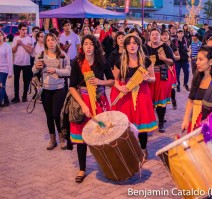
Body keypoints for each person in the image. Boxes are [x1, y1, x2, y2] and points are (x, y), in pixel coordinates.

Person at [69, 34, 114, 183]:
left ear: (95, 46)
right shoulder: (77, 63)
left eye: (91, 44)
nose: (88, 47)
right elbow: (72, 87)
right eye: (85, 44)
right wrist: (83, 105)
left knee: (102, 135)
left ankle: (107, 164)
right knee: (82, 139)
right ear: (82, 46)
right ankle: (82, 169)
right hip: (83, 101)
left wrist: (101, 81)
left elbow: (112, 81)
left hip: (100, 101)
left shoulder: (102, 62)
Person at [110, 33, 157, 160]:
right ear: (125, 46)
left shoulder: (145, 60)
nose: (132, 45)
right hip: (126, 95)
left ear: (138, 45)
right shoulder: (120, 61)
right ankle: (130, 149)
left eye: (134, 43)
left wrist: (148, 78)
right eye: (129, 43)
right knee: (128, 124)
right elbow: (114, 80)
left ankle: (143, 149)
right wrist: (119, 87)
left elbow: (153, 79)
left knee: (142, 123)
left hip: (141, 93)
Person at [32, 33, 71, 150]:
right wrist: (37, 67)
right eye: (48, 40)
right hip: (46, 89)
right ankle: (52, 139)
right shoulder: (41, 55)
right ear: (45, 42)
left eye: (52, 40)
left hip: (59, 88)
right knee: (49, 115)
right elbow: (33, 70)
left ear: (56, 41)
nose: (50, 42)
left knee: (56, 114)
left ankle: (62, 137)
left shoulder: (62, 55)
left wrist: (56, 70)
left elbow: (69, 71)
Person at [146, 28, 174, 132]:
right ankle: (150, 122)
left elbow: (172, 61)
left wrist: (164, 59)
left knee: (161, 101)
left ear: (159, 36)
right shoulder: (145, 47)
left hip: (162, 76)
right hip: (149, 77)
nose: (155, 36)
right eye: (153, 34)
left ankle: (161, 122)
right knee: (149, 100)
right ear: (150, 36)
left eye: (157, 35)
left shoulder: (165, 46)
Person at [11, 22, 34, 103]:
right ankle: (16, 96)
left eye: (26, 29)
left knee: (26, 80)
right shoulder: (15, 38)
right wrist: (17, 44)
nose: (25, 31)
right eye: (23, 30)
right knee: (16, 80)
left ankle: (24, 96)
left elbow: (31, 51)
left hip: (26, 63)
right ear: (19, 30)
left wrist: (22, 44)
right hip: (17, 63)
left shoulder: (29, 39)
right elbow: (13, 51)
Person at [161, 29, 180, 110]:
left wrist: (171, 57)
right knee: (161, 88)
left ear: (169, 36)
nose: (164, 36)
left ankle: (173, 100)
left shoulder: (172, 45)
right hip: (160, 69)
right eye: (163, 35)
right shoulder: (158, 45)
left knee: (171, 87)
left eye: (166, 35)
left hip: (170, 68)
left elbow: (178, 57)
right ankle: (161, 105)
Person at [0, 30, 13, 107]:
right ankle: (6, 101)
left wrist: (10, 72)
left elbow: (10, 59)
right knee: (2, 86)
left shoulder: (7, 46)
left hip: (4, 69)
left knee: (1, 86)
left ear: (3, 36)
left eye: (0, 35)